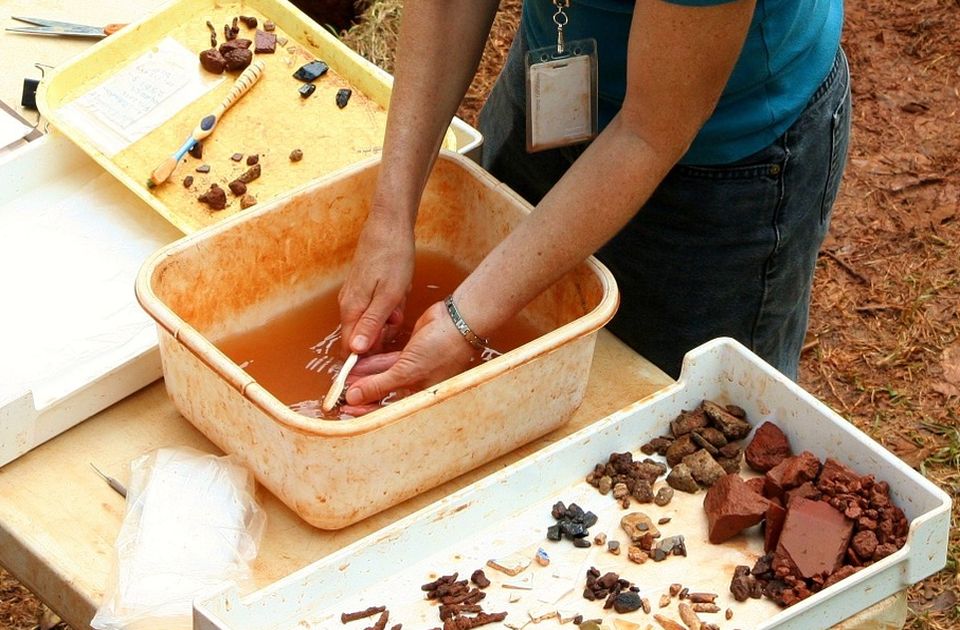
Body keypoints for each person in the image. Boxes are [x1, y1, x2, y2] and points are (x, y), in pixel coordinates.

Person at [336, 0, 850, 414]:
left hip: (722, 162)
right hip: (559, 75)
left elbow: (650, 131)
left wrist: (464, 321)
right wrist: (391, 216)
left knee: (691, 421)